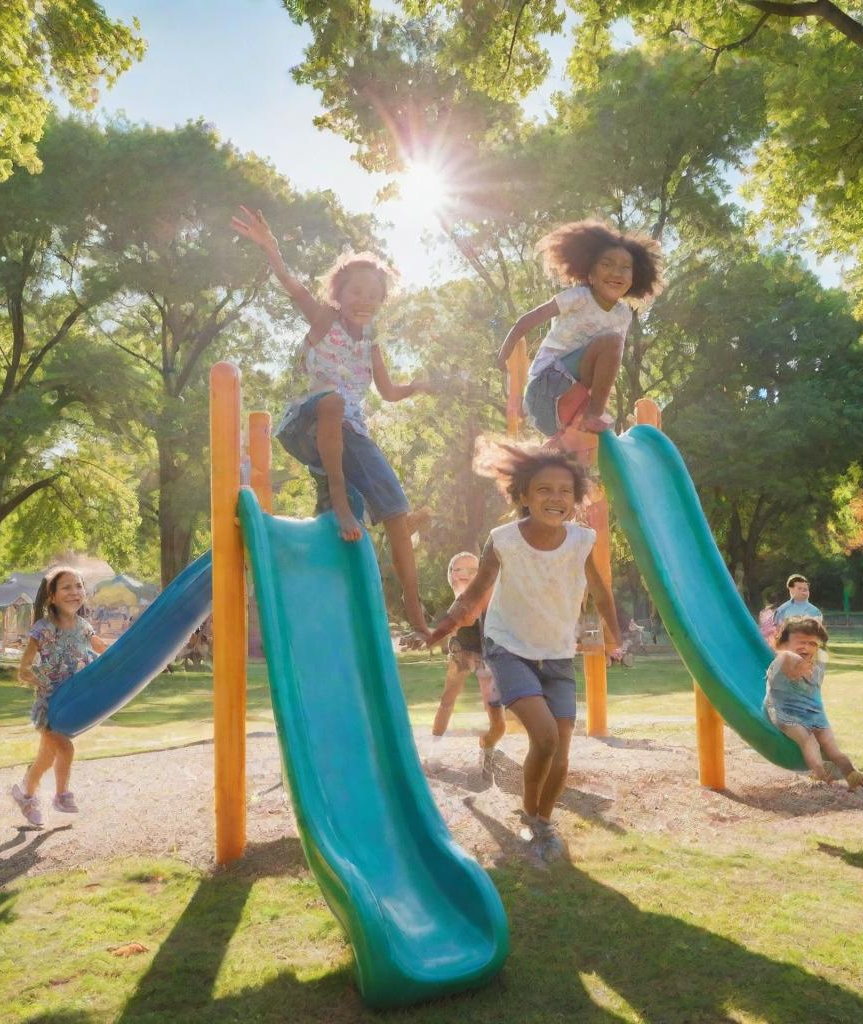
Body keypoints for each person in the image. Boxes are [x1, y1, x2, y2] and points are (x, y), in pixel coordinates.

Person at [231, 206, 432, 642]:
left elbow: (389, 392)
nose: (364, 300)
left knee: (394, 515)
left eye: (373, 294)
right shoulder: (325, 319)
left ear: (382, 301)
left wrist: (422, 384)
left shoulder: (373, 341)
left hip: (345, 436)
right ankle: (340, 499)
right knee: (335, 402)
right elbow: (291, 286)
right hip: (305, 423)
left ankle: (412, 614)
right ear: (339, 295)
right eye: (355, 291)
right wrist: (272, 248)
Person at [428, 442, 617, 861]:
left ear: (576, 498)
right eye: (544, 490)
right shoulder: (503, 541)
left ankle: (540, 819)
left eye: (565, 491)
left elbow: (601, 592)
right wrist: (441, 628)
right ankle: (531, 818)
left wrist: (614, 638)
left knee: (561, 751)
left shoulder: (582, 541)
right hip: (508, 646)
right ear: (524, 496)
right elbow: (475, 594)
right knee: (545, 736)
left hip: (556, 652)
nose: (556, 498)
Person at [496, 219, 663, 438]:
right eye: (607, 264)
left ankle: (588, 418)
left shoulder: (623, 315)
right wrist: (504, 354)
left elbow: (608, 365)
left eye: (625, 268)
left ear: (634, 278)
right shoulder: (579, 297)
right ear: (590, 274)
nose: (616, 273)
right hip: (545, 391)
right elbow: (529, 319)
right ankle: (594, 413)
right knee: (612, 342)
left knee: (613, 348)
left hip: (572, 402)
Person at [11, 567, 109, 826]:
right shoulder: (42, 629)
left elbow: (104, 649)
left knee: (44, 760)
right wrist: (36, 678)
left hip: (74, 699)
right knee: (65, 747)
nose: (75, 592)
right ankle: (61, 795)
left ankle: (25, 795)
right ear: (51, 596)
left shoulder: (84, 626)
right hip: (51, 705)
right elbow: (24, 668)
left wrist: (132, 651)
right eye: (66, 587)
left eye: (79, 586)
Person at [425, 552, 506, 776]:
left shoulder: (488, 593)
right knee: (447, 700)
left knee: (497, 715)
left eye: (472, 571)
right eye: (458, 570)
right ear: (451, 574)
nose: (465, 575)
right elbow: (463, 613)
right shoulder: (459, 595)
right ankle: (433, 753)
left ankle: (486, 748)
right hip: (461, 652)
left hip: (485, 654)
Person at [764, 618, 863, 790]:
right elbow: (787, 658)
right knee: (807, 739)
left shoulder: (817, 665)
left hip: (814, 714)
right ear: (784, 645)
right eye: (801, 642)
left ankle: (851, 774)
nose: (807, 647)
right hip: (787, 712)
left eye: (812, 643)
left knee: (833, 749)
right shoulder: (782, 659)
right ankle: (820, 773)